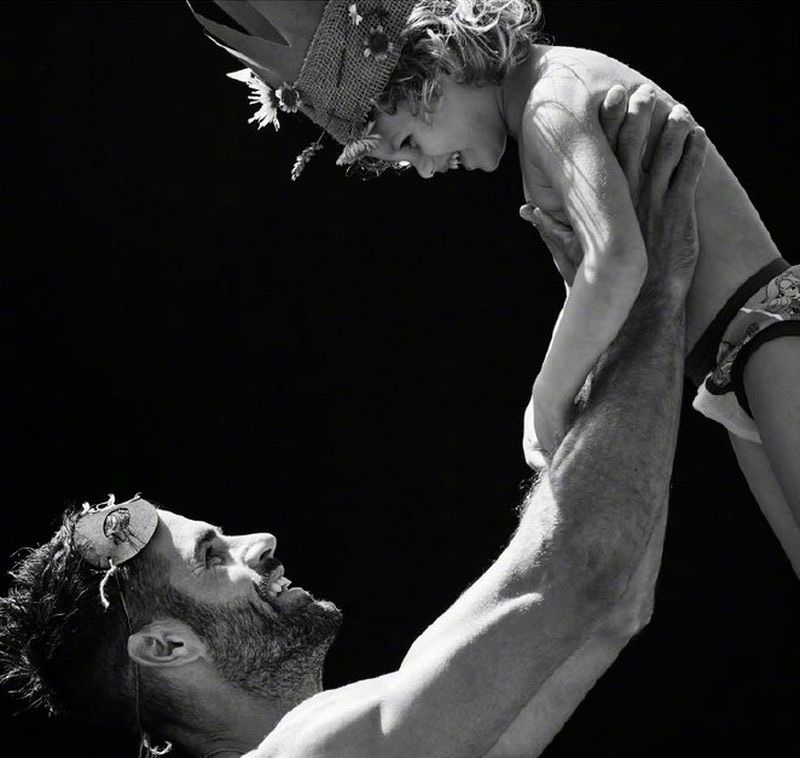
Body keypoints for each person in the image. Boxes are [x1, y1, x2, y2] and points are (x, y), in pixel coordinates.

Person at [0, 92, 705, 758]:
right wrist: (655, 287)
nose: (259, 540)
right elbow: (571, 573)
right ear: (168, 647)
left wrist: (612, 332)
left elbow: (606, 606)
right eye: (214, 554)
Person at [189, 0, 799, 574]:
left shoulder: (552, 100)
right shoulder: (539, 116)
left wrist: (547, 398)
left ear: (439, 66)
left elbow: (615, 262)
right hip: (729, 364)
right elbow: (604, 284)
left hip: (768, 336)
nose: (426, 170)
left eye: (408, 144)